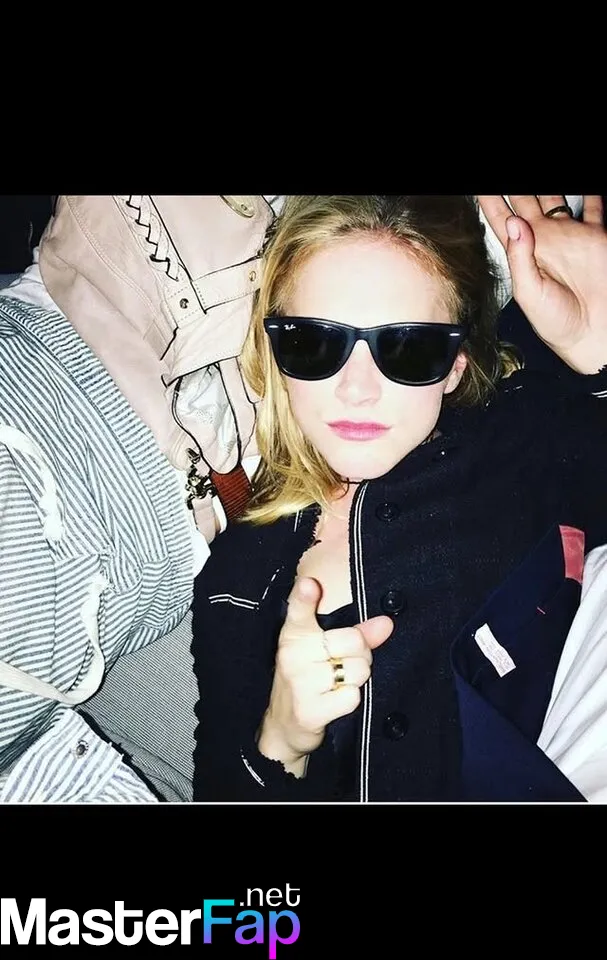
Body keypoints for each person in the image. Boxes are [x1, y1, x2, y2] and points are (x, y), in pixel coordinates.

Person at [191, 194, 607, 802]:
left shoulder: (527, 443)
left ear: (457, 363)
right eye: (315, 343)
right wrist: (281, 741)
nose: (357, 390)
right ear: (276, 355)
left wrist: (598, 359)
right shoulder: (237, 576)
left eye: (408, 347)